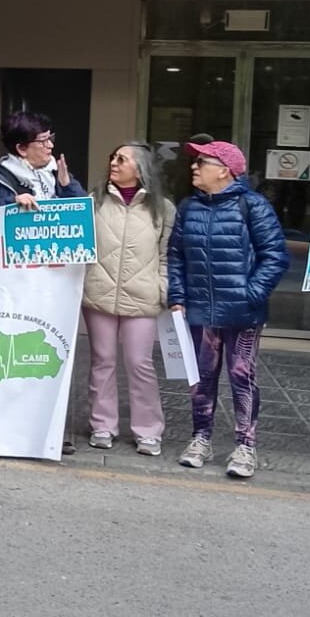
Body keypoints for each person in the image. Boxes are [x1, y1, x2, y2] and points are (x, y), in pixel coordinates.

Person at [167, 139, 289, 479]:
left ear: (225, 170)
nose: (193, 166)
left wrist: (251, 293)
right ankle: (200, 439)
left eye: (202, 161)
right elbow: (176, 255)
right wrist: (177, 295)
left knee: (242, 378)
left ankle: (245, 446)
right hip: (199, 310)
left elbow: (275, 256)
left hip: (243, 312)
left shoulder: (254, 206)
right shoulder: (189, 207)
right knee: (201, 379)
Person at [81, 142, 175, 455]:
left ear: (141, 168)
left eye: (122, 159)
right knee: (102, 362)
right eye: (113, 156)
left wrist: (162, 289)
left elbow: (166, 256)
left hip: (142, 297)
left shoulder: (163, 209)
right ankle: (102, 426)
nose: (114, 163)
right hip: (99, 293)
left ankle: (148, 430)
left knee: (140, 364)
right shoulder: (93, 202)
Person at [0, 110, 86, 209]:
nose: (51, 145)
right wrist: (12, 202)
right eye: (43, 141)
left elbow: (84, 211)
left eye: (50, 138)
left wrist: (67, 186)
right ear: (21, 148)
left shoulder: (56, 172)